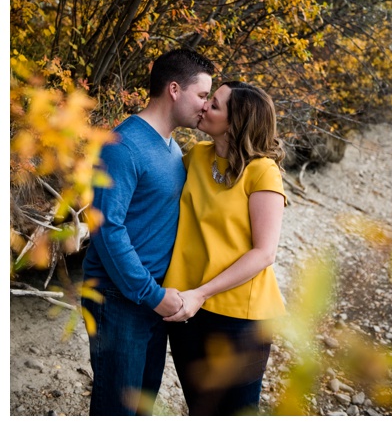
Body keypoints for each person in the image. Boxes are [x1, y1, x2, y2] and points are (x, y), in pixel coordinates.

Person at [82, 49, 215, 415]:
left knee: (141, 407)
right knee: (117, 409)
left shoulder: (172, 146)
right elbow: (107, 228)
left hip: (152, 299)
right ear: (174, 89)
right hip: (120, 298)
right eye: (202, 95)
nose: (205, 106)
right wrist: (151, 293)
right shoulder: (123, 145)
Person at [162, 81, 286, 416]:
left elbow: (265, 252)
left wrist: (202, 293)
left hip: (241, 318)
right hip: (186, 307)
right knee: (201, 409)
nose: (203, 107)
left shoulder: (263, 172)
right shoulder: (195, 158)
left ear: (236, 122)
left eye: (214, 105)